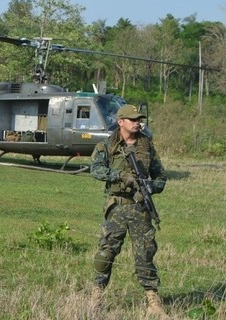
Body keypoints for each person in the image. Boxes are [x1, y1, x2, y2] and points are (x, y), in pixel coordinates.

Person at [89, 104, 169, 319]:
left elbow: (161, 177)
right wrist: (118, 176)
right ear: (120, 121)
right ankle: (97, 295)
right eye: (132, 119)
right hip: (116, 207)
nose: (137, 122)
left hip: (140, 208)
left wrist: (151, 187)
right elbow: (95, 170)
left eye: (139, 119)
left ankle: (152, 300)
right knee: (106, 253)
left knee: (145, 254)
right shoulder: (107, 146)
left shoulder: (147, 146)